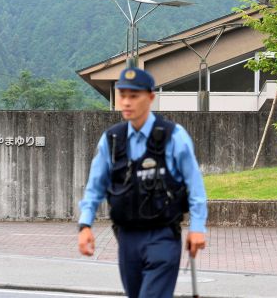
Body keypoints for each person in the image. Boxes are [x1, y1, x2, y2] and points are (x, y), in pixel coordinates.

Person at [77, 66, 207, 298]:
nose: (126, 102)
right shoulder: (112, 140)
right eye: (122, 95)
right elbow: (95, 186)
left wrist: (197, 228)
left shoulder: (173, 136)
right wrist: (85, 225)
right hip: (127, 238)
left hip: (163, 236)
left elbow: (195, 186)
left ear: (150, 97)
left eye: (133, 96)